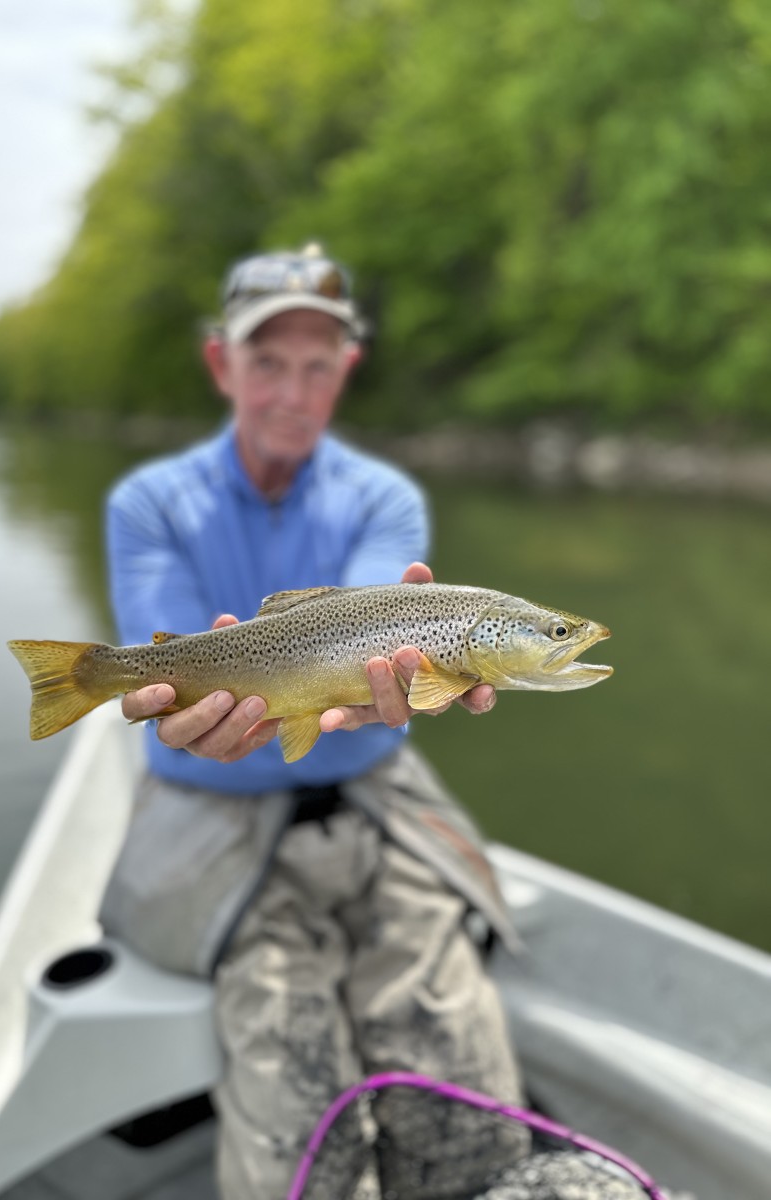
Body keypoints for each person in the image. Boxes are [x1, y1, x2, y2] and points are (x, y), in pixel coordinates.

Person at [98, 245, 655, 1200]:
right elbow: (165, 683)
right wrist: (167, 704)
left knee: (469, 1120)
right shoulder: (148, 502)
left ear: (347, 370)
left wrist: (405, 651)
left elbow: (392, 600)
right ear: (220, 365)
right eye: (266, 360)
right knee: (303, 1149)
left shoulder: (385, 498)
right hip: (213, 814)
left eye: (319, 364)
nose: (291, 390)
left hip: (374, 798)